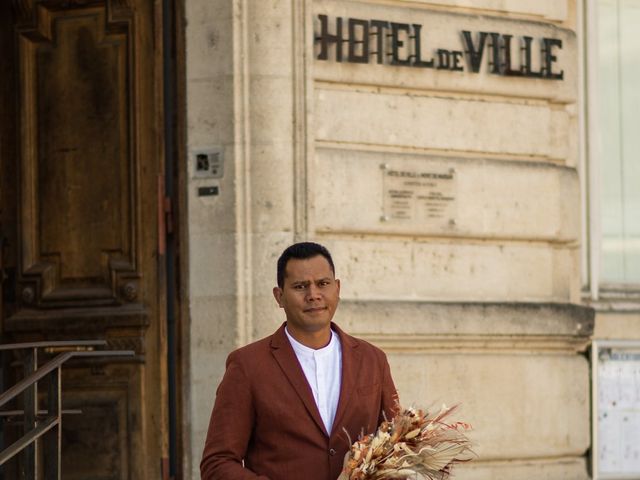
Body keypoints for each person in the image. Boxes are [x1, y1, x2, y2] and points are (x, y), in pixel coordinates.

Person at [200, 242, 398, 480]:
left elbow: (396, 446)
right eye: (300, 286)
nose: (313, 295)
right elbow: (217, 463)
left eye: (323, 284)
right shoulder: (247, 365)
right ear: (279, 296)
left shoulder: (373, 359)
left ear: (337, 288)